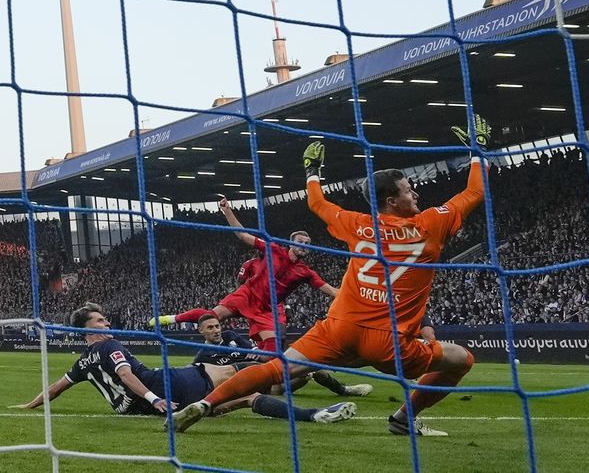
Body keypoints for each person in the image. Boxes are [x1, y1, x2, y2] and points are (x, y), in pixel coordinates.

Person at [172, 115, 491, 436]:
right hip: (389, 341)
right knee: (462, 359)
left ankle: (205, 404)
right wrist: (478, 150)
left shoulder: (356, 223)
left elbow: (316, 201)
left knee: (275, 368)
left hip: (340, 327)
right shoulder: (431, 224)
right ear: (392, 201)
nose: (416, 195)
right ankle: (403, 419)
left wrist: (312, 171)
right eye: (409, 191)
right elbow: (475, 191)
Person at [11, 302, 357, 426]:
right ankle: (325, 361)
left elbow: (57, 388)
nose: (106, 323)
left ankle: (314, 410)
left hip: (169, 400)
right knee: (269, 377)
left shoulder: (83, 362)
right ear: (85, 328)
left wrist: (28, 405)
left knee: (245, 397)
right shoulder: (110, 346)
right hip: (175, 383)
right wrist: (154, 399)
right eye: (99, 320)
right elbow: (127, 375)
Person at [149, 199, 339, 352]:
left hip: (266, 309)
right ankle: (170, 319)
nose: (304, 245)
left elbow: (331, 291)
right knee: (212, 316)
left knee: (274, 348)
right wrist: (227, 212)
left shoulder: (306, 272)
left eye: (307, 243)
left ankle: (256, 367)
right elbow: (242, 235)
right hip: (247, 295)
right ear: (291, 243)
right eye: (300, 241)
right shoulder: (273, 249)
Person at [194, 314, 373, 397]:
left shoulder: (231, 336)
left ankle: (345, 390)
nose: (216, 330)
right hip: (259, 388)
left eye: (217, 326)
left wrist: (266, 356)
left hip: (267, 375)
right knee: (305, 371)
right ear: (201, 331)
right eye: (210, 328)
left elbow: (255, 353)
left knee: (310, 365)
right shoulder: (202, 356)